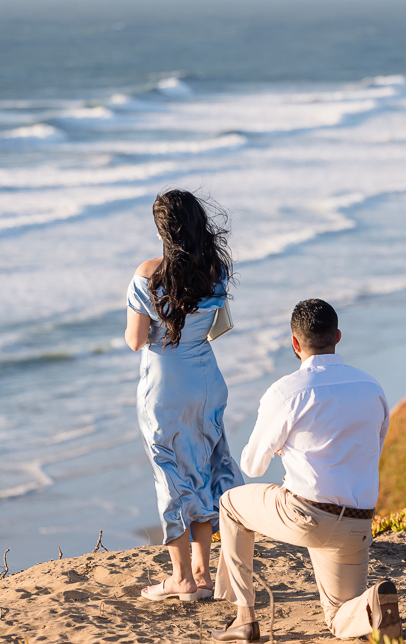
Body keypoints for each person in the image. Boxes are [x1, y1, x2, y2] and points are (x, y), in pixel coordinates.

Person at [211, 299, 401, 642]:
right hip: (357, 521)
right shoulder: (372, 388)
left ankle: (244, 618)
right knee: (338, 618)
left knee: (230, 504)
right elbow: (371, 450)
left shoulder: (287, 392)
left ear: (295, 343)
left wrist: (287, 448)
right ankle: (373, 603)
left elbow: (253, 466)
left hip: (306, 516)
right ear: (338, 336)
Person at [125, 188, 243, 602]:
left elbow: (137, 340)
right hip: (206, 378)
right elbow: (213, 326)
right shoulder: (215, 270)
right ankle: (203, 574)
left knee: (171, 474)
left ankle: (181, 580)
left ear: (162, 229)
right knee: (205, 468)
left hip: (166, 385)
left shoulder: (147, 274)